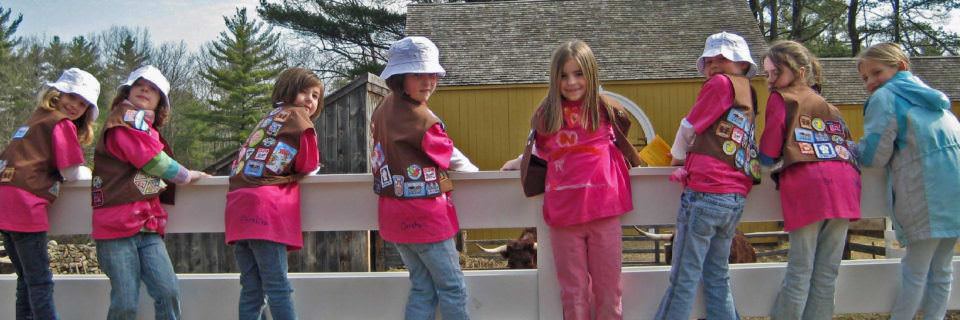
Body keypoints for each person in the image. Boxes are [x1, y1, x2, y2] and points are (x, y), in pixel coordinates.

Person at [528, 40, 638, 320]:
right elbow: (538, 153)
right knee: (573, 293)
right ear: (554, 79)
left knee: (609, 290)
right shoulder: (546, 116)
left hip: (604, 210)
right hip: (564, 215)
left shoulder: (605, 111)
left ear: (591, 74)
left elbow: (622, 143)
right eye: (563, 75)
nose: (571, 82)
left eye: (578, 74)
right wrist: (519, 162)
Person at [371, 36, 477, 320]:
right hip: (424, 215)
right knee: (453, 287)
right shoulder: (422, 120)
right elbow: (450, 156)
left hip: (393, 214)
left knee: (422, 287)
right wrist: (476, 174)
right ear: (400, 78)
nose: (428, 82)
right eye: (418, 75)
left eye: (432, 75)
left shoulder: (382, 109)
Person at [657, 32, 760, 320]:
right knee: (717, 275)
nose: (714, 64)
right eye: (710, 60)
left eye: (722, 58)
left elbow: (690, 126)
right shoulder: (748, 92)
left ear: (741, 63)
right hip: (733, 196)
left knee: (683, 278)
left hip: (706, 193)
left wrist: (677, 157)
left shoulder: (719, 84)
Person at [91, 65, 208, 320]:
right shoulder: (122, 123)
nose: (145, 89)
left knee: (168, 291)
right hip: (116, 227)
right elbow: (153, 161)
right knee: (125, 302)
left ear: (160, 102)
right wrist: (187, 175)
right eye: (139, 85)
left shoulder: (147, 128)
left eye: (153, 89)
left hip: (148, 225)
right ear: (127, 91)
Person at [856, 42, 960, 320]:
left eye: (876, 72)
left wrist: (851, 150)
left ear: (900, 66)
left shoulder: (885, 97)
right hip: (954, 193)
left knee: (915, 271)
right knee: (942, 270)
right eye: (865, 78)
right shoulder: (934, 101)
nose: (870, 82)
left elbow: (874, 155)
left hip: (925, 192)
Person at [758, 40, 861, 320]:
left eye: (776, 72)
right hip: (845, 186)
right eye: (767, 73)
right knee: (827, 271)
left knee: (800, 269)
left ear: (800, 71)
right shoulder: (827, 104)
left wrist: (763, 163)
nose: (770, 80)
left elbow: (769, 149)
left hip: (808, 185)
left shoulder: (782, 98)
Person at [224, 67, 324, 320]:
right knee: (278, 288)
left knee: (252, 289)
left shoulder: (269, 119)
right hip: (265, 210)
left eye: (315, 96)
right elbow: (308, 163)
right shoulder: (299, 118)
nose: (310, 100)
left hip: (238, 205)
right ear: (288, 90)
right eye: (304, 92)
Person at [0, 68, 100, 320]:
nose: (75, 106)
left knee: (25, 279)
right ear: (58, 93)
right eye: (72, 96)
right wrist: (89, 174)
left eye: (83, 103)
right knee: (41, 281)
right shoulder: (60, 124)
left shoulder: (35, 120)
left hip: (5, 202)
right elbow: (71, 172)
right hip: (25, 206)